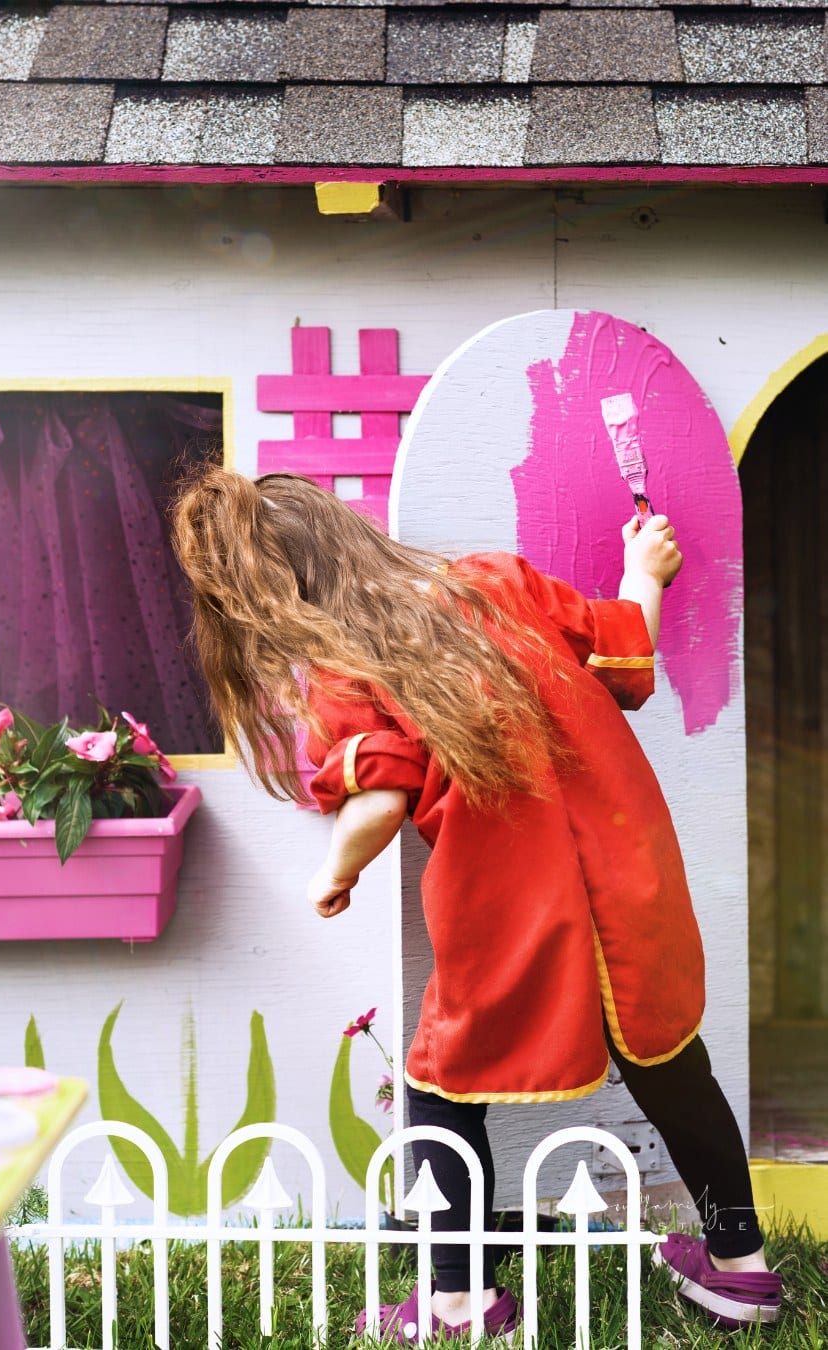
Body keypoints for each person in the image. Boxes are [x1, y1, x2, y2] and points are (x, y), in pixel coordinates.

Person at [172, 467, 782, 1341]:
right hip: (631, 876)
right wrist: (644, 570)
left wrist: (331, 875)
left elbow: (380, 801)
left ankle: (458, 1301)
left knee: (440, 1085)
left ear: (266, 601)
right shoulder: (497, 582)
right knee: (670, 1061)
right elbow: (626, 652)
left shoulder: (347, 672)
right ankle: (741, 1271)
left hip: (511, 908)